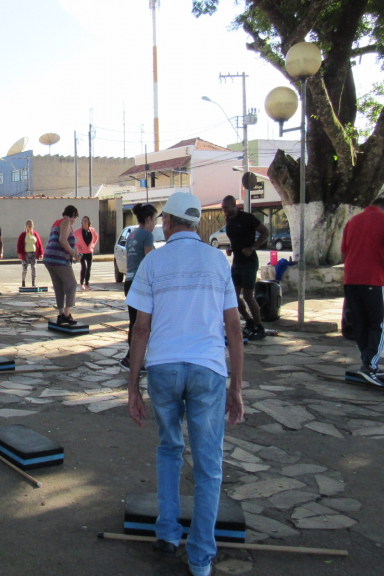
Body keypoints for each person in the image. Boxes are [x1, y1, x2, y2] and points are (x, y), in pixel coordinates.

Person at [125, 192, 244, 576]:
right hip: (208, 370)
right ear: (194, 224)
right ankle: (200, 559)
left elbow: (140, 329)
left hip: (163, 368)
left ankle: (167, 533)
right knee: (209, 466)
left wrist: (132, 387)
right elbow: (234, 328)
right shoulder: (217, 261)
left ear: (170, 223)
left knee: (169, 449)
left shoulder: (153, 262)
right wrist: (236, 387)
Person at [341, 197, 384, 385]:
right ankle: (369, 365)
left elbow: (343, 254)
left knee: (360, 323)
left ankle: (368, 362)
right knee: (381, 323)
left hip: (351, 280)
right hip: (374, 279)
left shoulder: (352, 221)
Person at [221, 195, 270, 341]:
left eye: (226, 208)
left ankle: (259, 325)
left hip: (249, 262)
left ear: (234, 206)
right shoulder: (229, 220)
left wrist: (253, 247)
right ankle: (248, 321)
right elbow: (236, 239)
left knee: (248, 296)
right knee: (234, 297)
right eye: (223, 208)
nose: (224, 211)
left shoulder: (247, 218)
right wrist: (231, 248)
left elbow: (265, 232)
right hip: (237, 262)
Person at [122, 203, 158, 370]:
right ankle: (132, 359)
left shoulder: (132, 234)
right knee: (143, 324)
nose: (155, 223)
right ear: (149, 219)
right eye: (155, 219)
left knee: (134, 323)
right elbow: (150, 260)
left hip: (129, 281)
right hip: (141, 283)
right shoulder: (147, 236)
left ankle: (131, 357)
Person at [44, 205, 81, 325]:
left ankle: (60, 314)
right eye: (75, 217)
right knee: (71, 284)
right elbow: (62, 240)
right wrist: (74, 254)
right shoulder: (66, 222)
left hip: (49, 258)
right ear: (72, 215)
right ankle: (66, 314)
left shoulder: (56, 222)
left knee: (59, 286)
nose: (75, 220)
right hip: (59, 259)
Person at [74, 216, 99, 291]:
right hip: (81, 252)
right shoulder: (78, 231)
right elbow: (70, 238)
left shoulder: (92, 230)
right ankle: (81, 284)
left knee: (89, 268)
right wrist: (77, 245)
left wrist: (93, 244)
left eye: (86, 221)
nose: (84, 222)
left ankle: (87, 284)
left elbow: (96, 236)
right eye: (83, 221)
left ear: (89, 222)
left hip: (90, 251)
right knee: (84, 267)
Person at [16, 220, 44, 288]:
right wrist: (19, 252)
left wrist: (41, 253)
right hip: (25, 254)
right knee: (25, 269)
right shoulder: (23, 234)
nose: (30, 225)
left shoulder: (35, 234)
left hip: (33, 254)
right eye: (29, 224)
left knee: (33, 268)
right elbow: (19, 244)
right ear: (26, 226)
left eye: (31, 224)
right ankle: (23, 281)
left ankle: (33, 282)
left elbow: (39, 244)